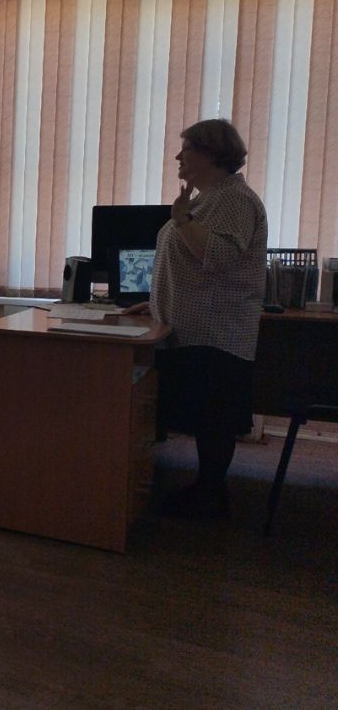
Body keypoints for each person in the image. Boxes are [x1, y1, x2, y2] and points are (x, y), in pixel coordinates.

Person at [126, 119, 267, 518]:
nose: (178, 156)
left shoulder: (234, 199)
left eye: (186, 149)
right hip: (193, 331)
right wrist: (156, 302)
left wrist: (182, 219)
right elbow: (189, 264)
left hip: (215, 335)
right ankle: (206, 493)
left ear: (210, 153)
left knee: (213, 423)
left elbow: (219, 257)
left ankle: (209, 498)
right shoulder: (211, 198)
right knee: (206, 420)